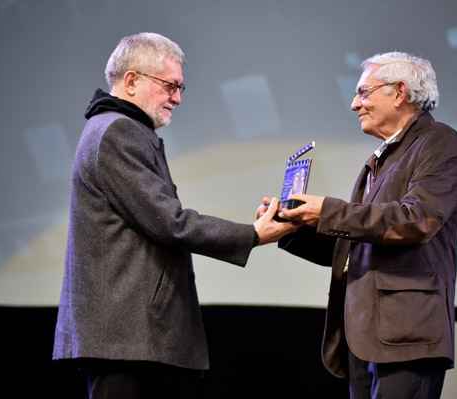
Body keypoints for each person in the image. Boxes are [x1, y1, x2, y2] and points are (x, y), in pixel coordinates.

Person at [52, 32, 296, 399]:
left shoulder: (116, 129)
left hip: (126, 335)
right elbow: (170, 221)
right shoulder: (119, 132)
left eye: (181, 87)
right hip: (125, 336)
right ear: (131, 80)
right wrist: (253, 234)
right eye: (170, 86)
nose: (178, 98)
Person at [260, 52, 457, 398]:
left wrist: (327, 210)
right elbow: (355, 249)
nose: (355, 103)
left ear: (399, 92)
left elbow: (416, 220)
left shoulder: (440, 143)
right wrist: (292, 226)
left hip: (407, 335)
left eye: (363, 92)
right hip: (364, 337)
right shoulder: (380, 159)